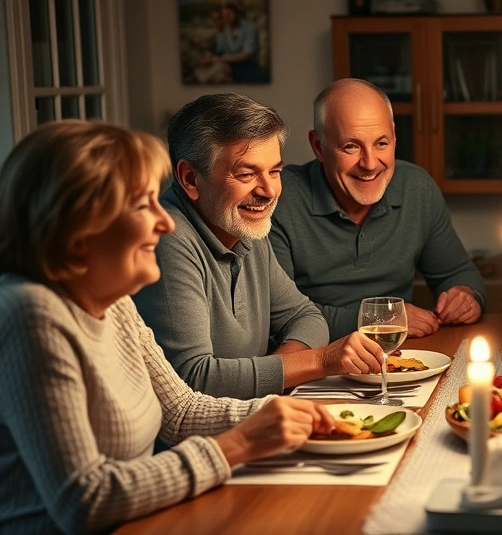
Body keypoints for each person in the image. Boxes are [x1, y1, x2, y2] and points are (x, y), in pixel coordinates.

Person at [0, 121, 338, 533]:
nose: (166, 223)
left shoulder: (113, 301)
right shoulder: (31, 314)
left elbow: (180, 412)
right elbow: (84, 500)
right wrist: (242, 443)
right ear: (77, 230)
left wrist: (281, 414)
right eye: (143, 206)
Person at [133, 93, 382, 400]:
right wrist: (320, 361)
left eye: (274, 171)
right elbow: (193, 378)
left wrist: (275, 373)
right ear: (190, 179)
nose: (268, 191)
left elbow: (307, 317)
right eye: (246, 174)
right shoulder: (165, 239)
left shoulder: (243, 225)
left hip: (252, 416)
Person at [270, 78, 486, 340]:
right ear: (319, 146)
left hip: (400, 353)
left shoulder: (416, 187)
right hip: (316, 355)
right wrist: (377, 319)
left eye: (381, 143)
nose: (370, 164)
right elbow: (279, 314)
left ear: (394, 137)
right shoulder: (279, 197)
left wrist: (465, 295)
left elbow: (457, 272)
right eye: (351, 146)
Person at [211, 0, 265, 83]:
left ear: (237, 13)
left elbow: (247, 54)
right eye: (225, 15)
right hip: (231, 68)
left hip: (249, 69)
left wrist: (223, 59)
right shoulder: (225, 30)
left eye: (230, 14)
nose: (227, 18)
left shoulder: (249, 27)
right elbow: (220, 51)